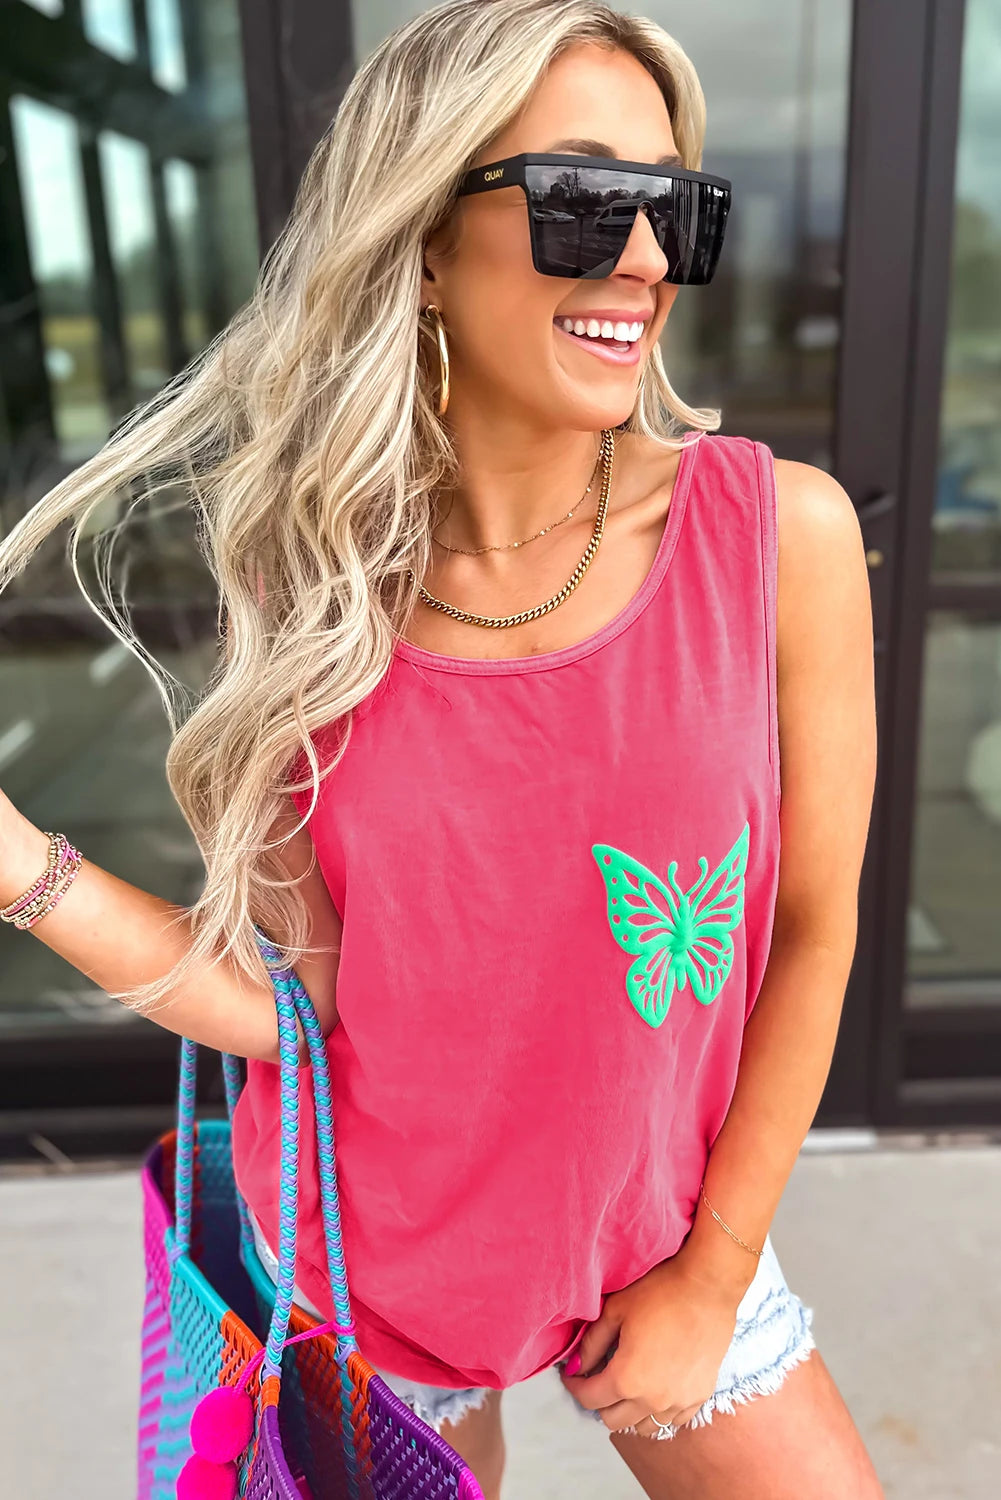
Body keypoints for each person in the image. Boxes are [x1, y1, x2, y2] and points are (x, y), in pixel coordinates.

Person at [0, 2, 882, 1496]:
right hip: (368, 1281)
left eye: (676, 207)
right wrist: (18, 864)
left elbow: (812, 927)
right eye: (585, 198)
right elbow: (294, 1008)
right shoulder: (311, 585)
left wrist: (715, 1273)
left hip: (666, 1234)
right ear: (419, 236)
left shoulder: (775, 536)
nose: (646, 259)